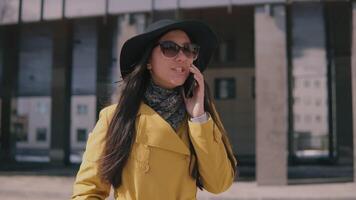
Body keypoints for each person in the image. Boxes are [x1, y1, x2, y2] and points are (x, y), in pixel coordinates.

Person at [72, 19, 237, 200]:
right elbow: (88, 191)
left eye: (189, 49)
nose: (182, 57)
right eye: (170, 48)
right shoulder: (115, 118)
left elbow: (219, 184)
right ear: (148, 61)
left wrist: (198, 117)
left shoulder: (200, 120)